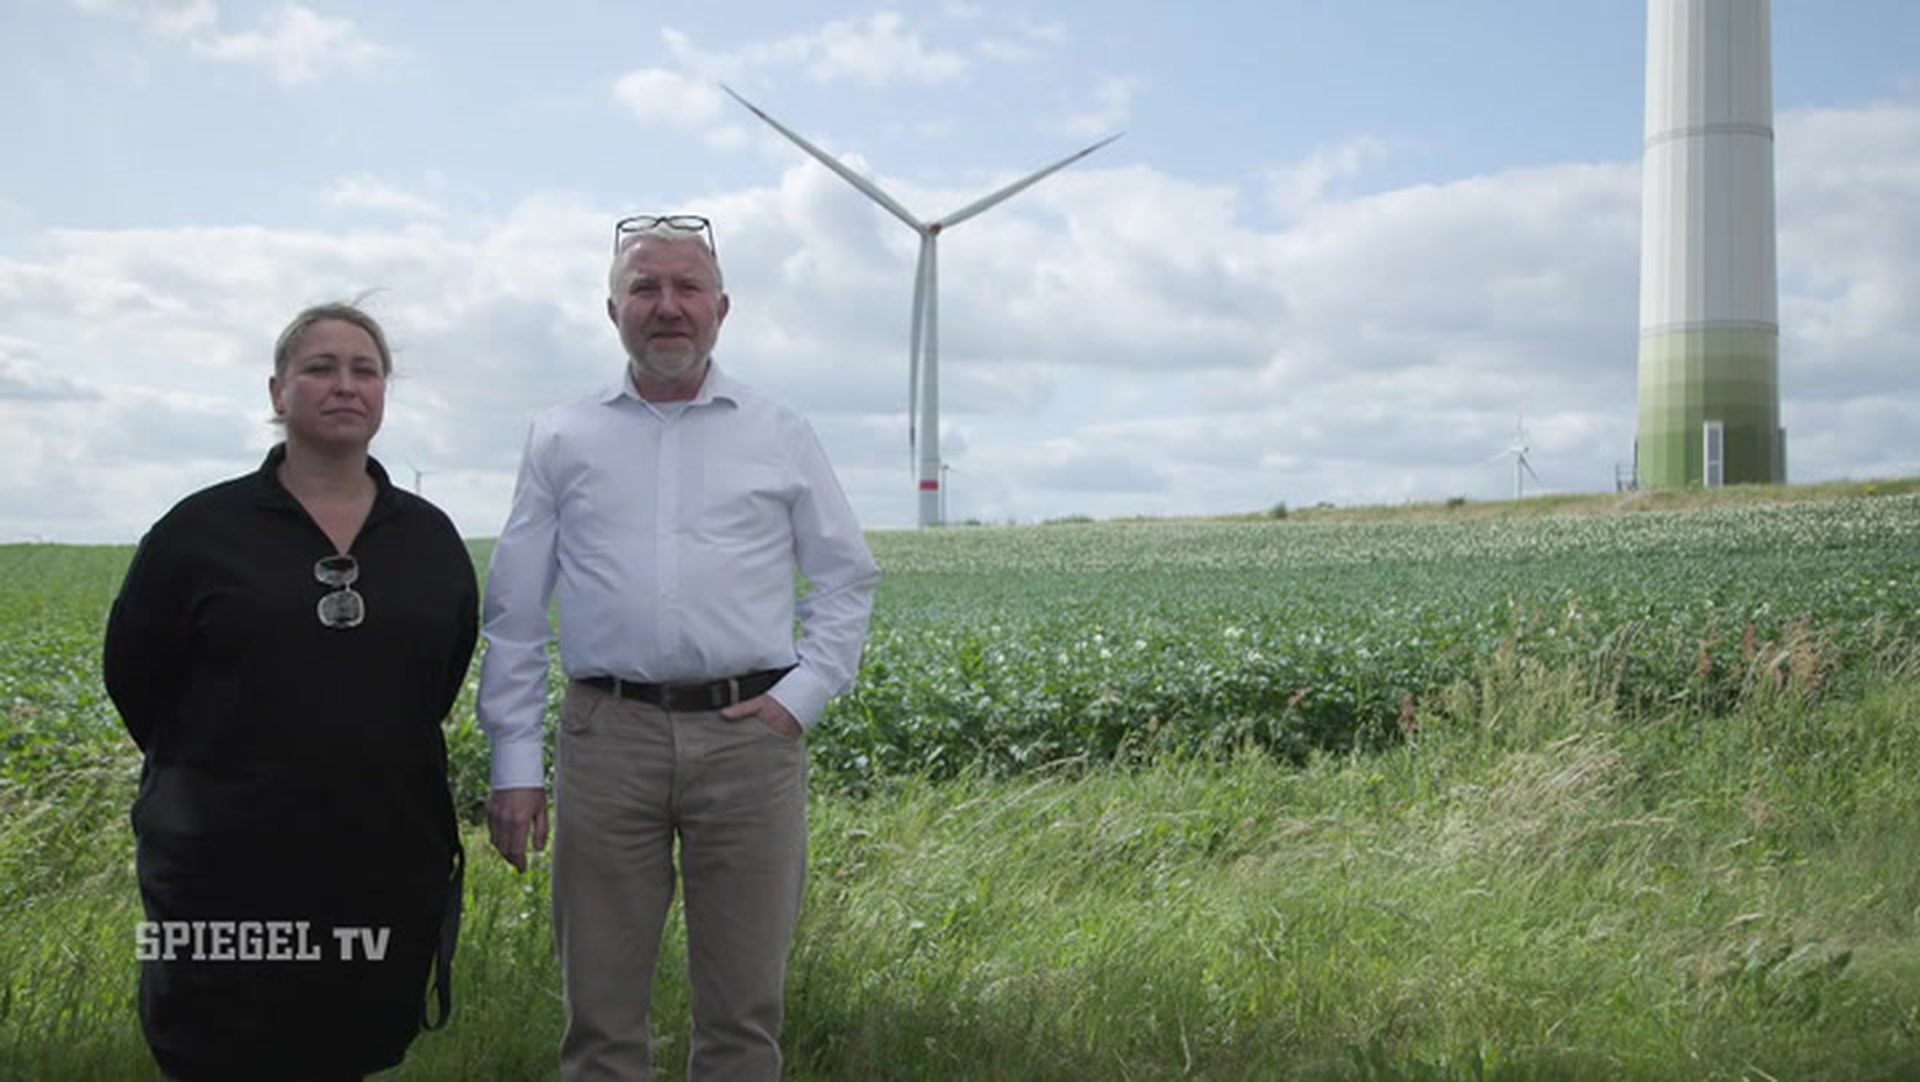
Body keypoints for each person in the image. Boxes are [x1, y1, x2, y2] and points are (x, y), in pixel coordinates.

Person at [479, 213, 881, 1081]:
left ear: (722, 307)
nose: (668, 306)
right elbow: (513, 612)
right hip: (607, 738)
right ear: (612, 308)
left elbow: (847, 579)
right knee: (600, 1020)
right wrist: (515, 765)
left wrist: (797, 701)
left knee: (743, 1018)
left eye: (686, 287)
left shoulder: (780, 431)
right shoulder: (561, 436)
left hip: (750, 740)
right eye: (645, 288)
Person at [103, 301, 477, 1082]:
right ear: (279, 393)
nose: (345, 385)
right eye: (320, 368)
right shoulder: (198, 533)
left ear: (383, 394)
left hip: (378, 859)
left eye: (364, 370)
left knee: (354, 1045)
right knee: (216, 1050)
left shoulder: (429, 540)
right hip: (220, 865)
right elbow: (137, 677)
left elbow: (434, 680)